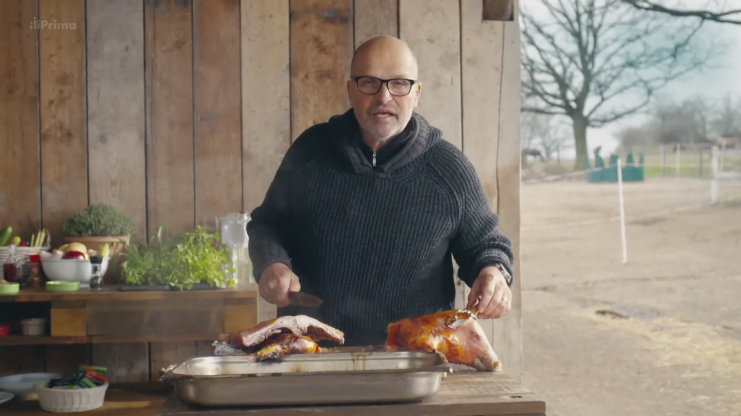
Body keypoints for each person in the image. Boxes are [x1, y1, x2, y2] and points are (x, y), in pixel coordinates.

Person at [248, 36, 514, 346]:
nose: (384, 96)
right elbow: (267, 224)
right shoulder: (310, 153)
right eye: (369, 82)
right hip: (311, 355)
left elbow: (486, 244)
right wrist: (271, 262)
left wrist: (493, 272)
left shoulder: (449, 169)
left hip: (417, 356)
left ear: (417, 93)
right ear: (350, 90)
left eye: (399, 83)